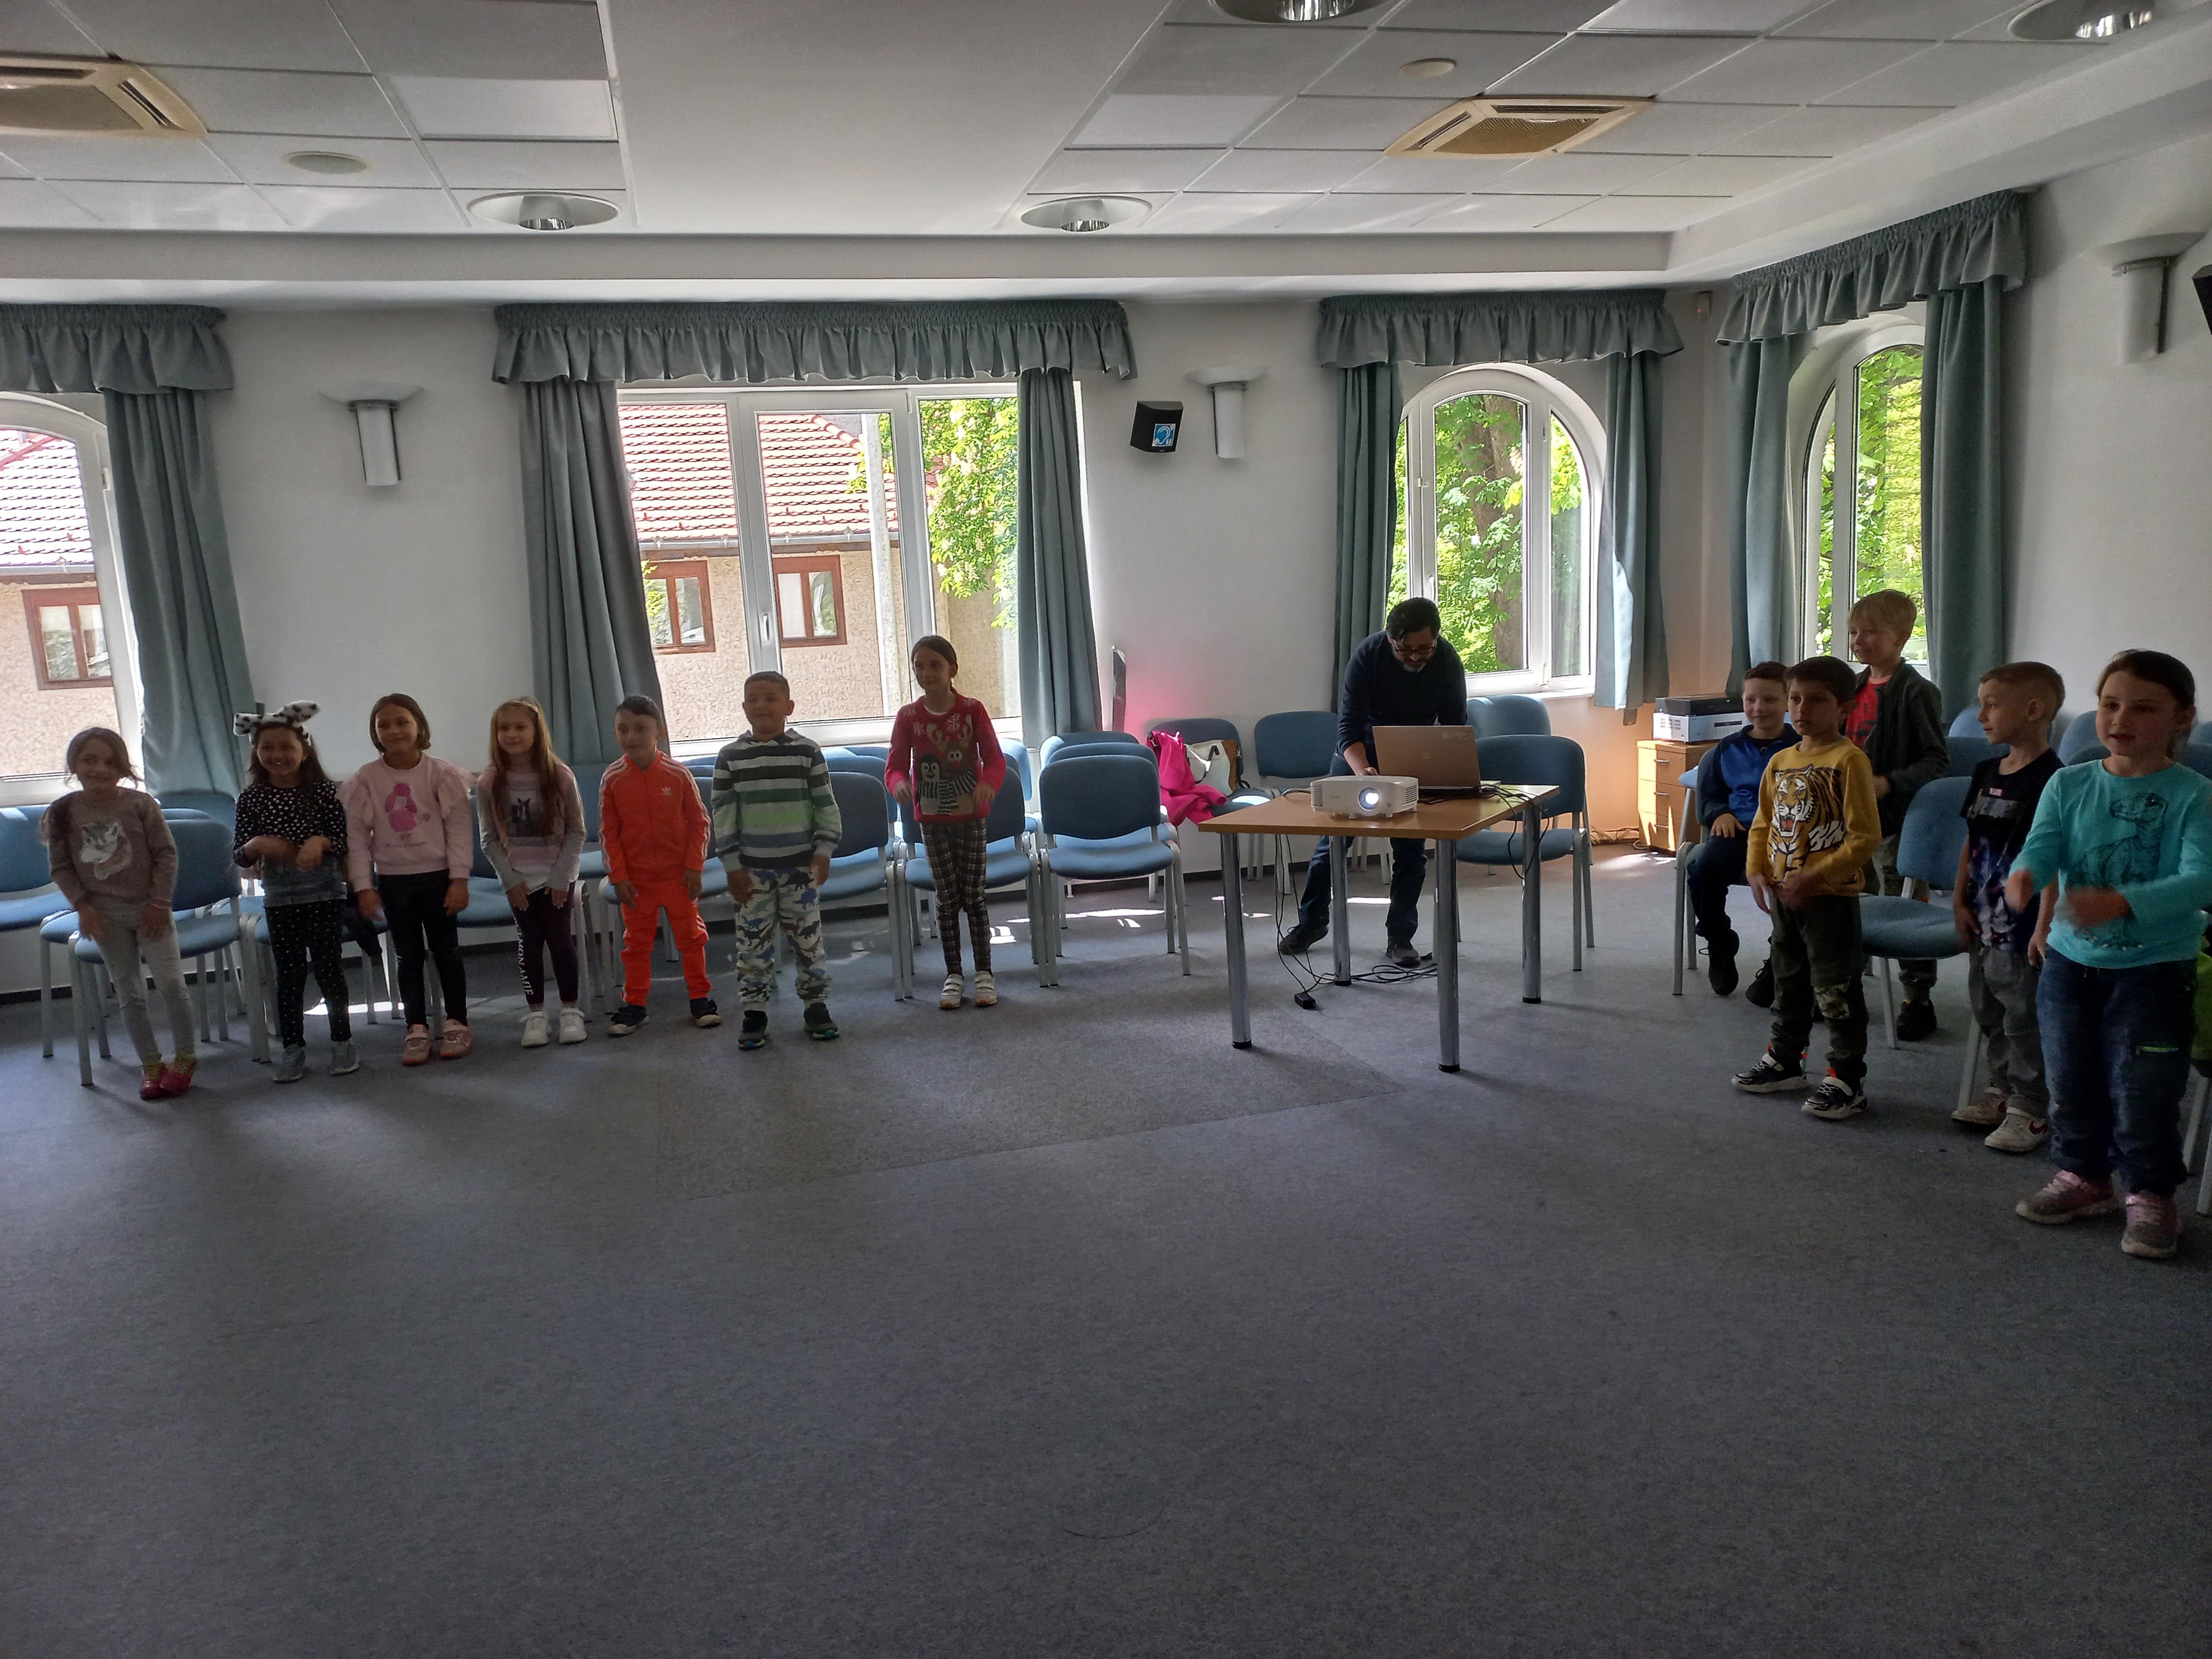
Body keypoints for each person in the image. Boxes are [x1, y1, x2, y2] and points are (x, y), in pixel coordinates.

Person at [2007, 650, 2212, 1261]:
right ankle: (2083, 1175)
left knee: (2144, 1088)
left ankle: (2150, 1192)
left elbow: (2201, 880)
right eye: (2110, 704)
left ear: (2182, 718)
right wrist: (2025, 873)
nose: (2120, 719)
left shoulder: (2194, 795)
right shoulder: (2069, 782)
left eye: (2143, 708)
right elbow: (2044, 846)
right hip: (2069, 964)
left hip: (2154, 972)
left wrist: (2122, 903)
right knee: (2070, 1078)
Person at [1731, 655, 1882, 1120]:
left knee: (1835, 989)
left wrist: (1816, 876)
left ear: (1844, 708)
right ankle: (1785, 1060)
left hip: (1829, 899)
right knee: (1788, 980)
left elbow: (1864, 836)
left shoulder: (1848, 761)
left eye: (1817, 701)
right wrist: (1756, 869)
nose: (1802, 710)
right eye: (1795, 699)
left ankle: (1846, 1079)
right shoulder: (1780, 761)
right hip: (1784, 896)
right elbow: (1763, 824)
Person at [1281, 597, 1468, 965]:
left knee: (1411, 852)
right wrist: (1363, 770)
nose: (1415, 657)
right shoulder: (1367, 656)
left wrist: (1441, 770)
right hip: (1359, 752)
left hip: (1414, 756)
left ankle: (1400, 937)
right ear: (1390, 638)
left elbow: (1453, 729)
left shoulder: (1447, 661)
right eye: (1406, 649)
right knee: (1332, 846)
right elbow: (1348, 728)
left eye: (1424, 649)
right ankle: (1311, 923)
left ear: (1436, 638)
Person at [1949, 663, 2066, 1153]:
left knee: (2023, 1017)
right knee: (1988, 1009)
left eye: (1992, 705)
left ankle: (2030, 1107)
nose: (1981, 716)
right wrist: (1958, 898)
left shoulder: (2055, 779)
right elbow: (1972, 839)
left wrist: (2044, 925)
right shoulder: (1985, 771)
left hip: (2022, 928)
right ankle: (2001, 1091)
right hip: (1982, 918)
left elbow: (2056, 860)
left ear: (2034, 710)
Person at [44, 727, 195, 1100]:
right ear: (75, 764)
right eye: (90, 760)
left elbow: (166, 855)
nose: (100, 769)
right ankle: (151, 1065)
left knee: (171, 985)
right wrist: (83, 908)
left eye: (109, 762)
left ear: (122, 768)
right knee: (129, 993)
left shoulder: (141, 805)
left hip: (150, 909)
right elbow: (61, 867)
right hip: (104, 914)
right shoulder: (62, 811)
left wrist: (160, 904)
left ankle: (186, 1058)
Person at [711, 671, 842, 1050]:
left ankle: (816, 1006)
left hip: (800, 869)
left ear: (789, 707)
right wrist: (732, 866)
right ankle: (755, 1012)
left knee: (808, 942)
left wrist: (824, 851)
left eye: (771, 698)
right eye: (753, 699)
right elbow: (723, 815)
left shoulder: (807, 752)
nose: (762, 706)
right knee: (752, 945)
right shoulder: (730, 757)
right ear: (744, 708)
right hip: (751, 873)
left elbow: (825, 806)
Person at [343, 692, 477, 1065]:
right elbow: (357, 841)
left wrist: (460, 879)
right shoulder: (365, 780)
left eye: (402, 722)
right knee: (407, 955)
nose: (394, 730)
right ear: (375, 733)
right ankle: (416, 1027)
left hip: (439, 879)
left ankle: (457, 1023)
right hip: (394, 882)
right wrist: (364, 888)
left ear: (419, 725)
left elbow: (460, 831)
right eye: (383, 725)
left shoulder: (442, 775)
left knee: (447, 952)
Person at [1842, 589, 1948, 1039]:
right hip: (1851, 816)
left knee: (1904, 903)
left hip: (1897, 819)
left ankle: (1917, 997)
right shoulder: (1852, 688)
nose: (1859, 641)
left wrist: (1890, 783)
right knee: (1850, 897)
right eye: (1854, 632)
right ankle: (1845, 985)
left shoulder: (1917, 692)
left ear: (1902, 637)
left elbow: (1936, 760)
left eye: (1871, 632)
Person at [232, 703, 355, 1083]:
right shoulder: (252, 797)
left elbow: (342, 841)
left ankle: (342, 1041)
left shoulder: (324, 792)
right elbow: (240, 853)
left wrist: (319, 841)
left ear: (305, 750)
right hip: (281, 900)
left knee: (330, 970)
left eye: (286, 746)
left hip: (325, 896)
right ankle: (292, 1048)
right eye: (267, 747)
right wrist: (257, 844)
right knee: (288, 975)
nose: (277, 755)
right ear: (256, 753)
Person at [886, 634, 1007, 1011]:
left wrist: (988, 785)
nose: (927, 673)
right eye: (919, 666)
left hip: (972, 818)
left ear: (952, 669)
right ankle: (953, 974)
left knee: (974, 896)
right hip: (933, 820)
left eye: (935, 665)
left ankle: (984, 972)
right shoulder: (909, 717)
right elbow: (894, 766)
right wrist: (899, 783)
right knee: (947, 898)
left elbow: (995, 760)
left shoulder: (972, 710)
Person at [599, 693, 715, 1037]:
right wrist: (619, 876)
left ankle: (700, 998)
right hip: (637, 882)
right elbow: (608, 832)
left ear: (659, 731)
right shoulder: (613, 778)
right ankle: (635, 1004)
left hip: (678, 877)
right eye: (623, 729)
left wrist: (694, 867)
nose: (631, 737)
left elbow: (700, 823)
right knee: (636, 944)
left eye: (640, 728)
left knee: (691, 938)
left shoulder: (678, 775)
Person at [480, 696, 587, 1049]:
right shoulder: (489, 782)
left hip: (556, 877)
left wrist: (561, 878)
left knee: (560, 940)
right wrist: (510, 881)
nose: (511, 734)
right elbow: (489, 839)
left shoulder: (560, 776)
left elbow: (577, 832)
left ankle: (570, 1010)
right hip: (519, 882)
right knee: (529, 942)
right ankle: (536, 1014)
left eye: (520, 727)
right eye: (504, 728)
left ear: (536, 731)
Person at [1687, 662, 1795, 997]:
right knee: (1702, 869)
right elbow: (1711, 796)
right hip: (1739, 830)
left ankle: (1780, 957)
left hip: (1786, 836)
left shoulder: (1800, 746)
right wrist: (1719, 813)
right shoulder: (1728, 747)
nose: (1759, 708)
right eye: (1751, 700)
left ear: (1788, 701)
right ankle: (1719, 941)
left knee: (1796, 883)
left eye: (1770, 700)